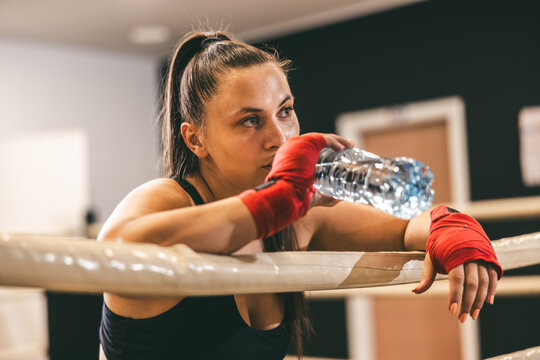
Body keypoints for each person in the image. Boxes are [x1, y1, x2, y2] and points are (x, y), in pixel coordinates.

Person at [97, 30, 502, 360]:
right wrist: (275, 203)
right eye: (250, 121)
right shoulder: (166, 200)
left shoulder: (298, 215)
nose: (280, 138)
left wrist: (452, 226)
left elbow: (408, 226)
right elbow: (113, 252)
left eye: (285, 111)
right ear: (195, 139)